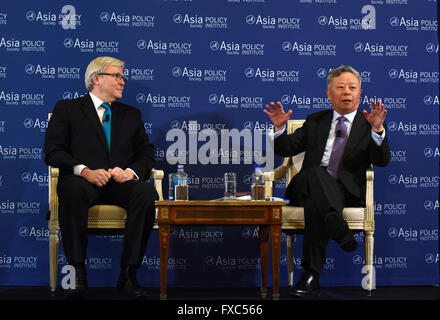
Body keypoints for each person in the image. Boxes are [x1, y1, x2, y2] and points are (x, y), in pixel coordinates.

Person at [264, 65, 390, 297]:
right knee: (315, 172)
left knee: (316, 204)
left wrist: (378, 130)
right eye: (340, 87)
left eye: (352, 87)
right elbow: (288, 147)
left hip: (346, 191)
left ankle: (311, 276)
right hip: (307, 184)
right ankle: (337, 229)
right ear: (329, 94)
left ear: (360, 93)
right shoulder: (315, 121)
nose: (346, 92)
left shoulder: (369, 125)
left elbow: (381, 160)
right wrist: (280, 128)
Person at [44, 56, 158, 299]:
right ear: (96, 79)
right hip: (82, 181)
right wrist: (85, 171)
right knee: (72, 190)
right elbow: (53, 151)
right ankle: (78, 274)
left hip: (119, 184)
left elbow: (147, 153)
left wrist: (130, 172)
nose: (122, 81)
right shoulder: (68, 109)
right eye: (117, 76)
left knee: (146, 192)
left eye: (123, 77)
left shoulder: (131, 115)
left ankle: (128, 274)